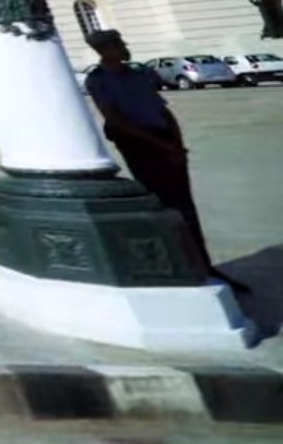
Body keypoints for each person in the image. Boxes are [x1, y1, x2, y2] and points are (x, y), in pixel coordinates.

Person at [84, 30, 245, 290]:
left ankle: (203, 264)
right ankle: (184, 265)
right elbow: (117, 121)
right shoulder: (98, 80)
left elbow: (163, 111)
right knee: (166, 207)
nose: (125, 47)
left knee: (186, 207)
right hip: (141, 146)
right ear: (105, 50)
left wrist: (177, 144)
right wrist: (164, 146)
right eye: (119, 44)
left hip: (165, 142)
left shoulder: (137, 75)